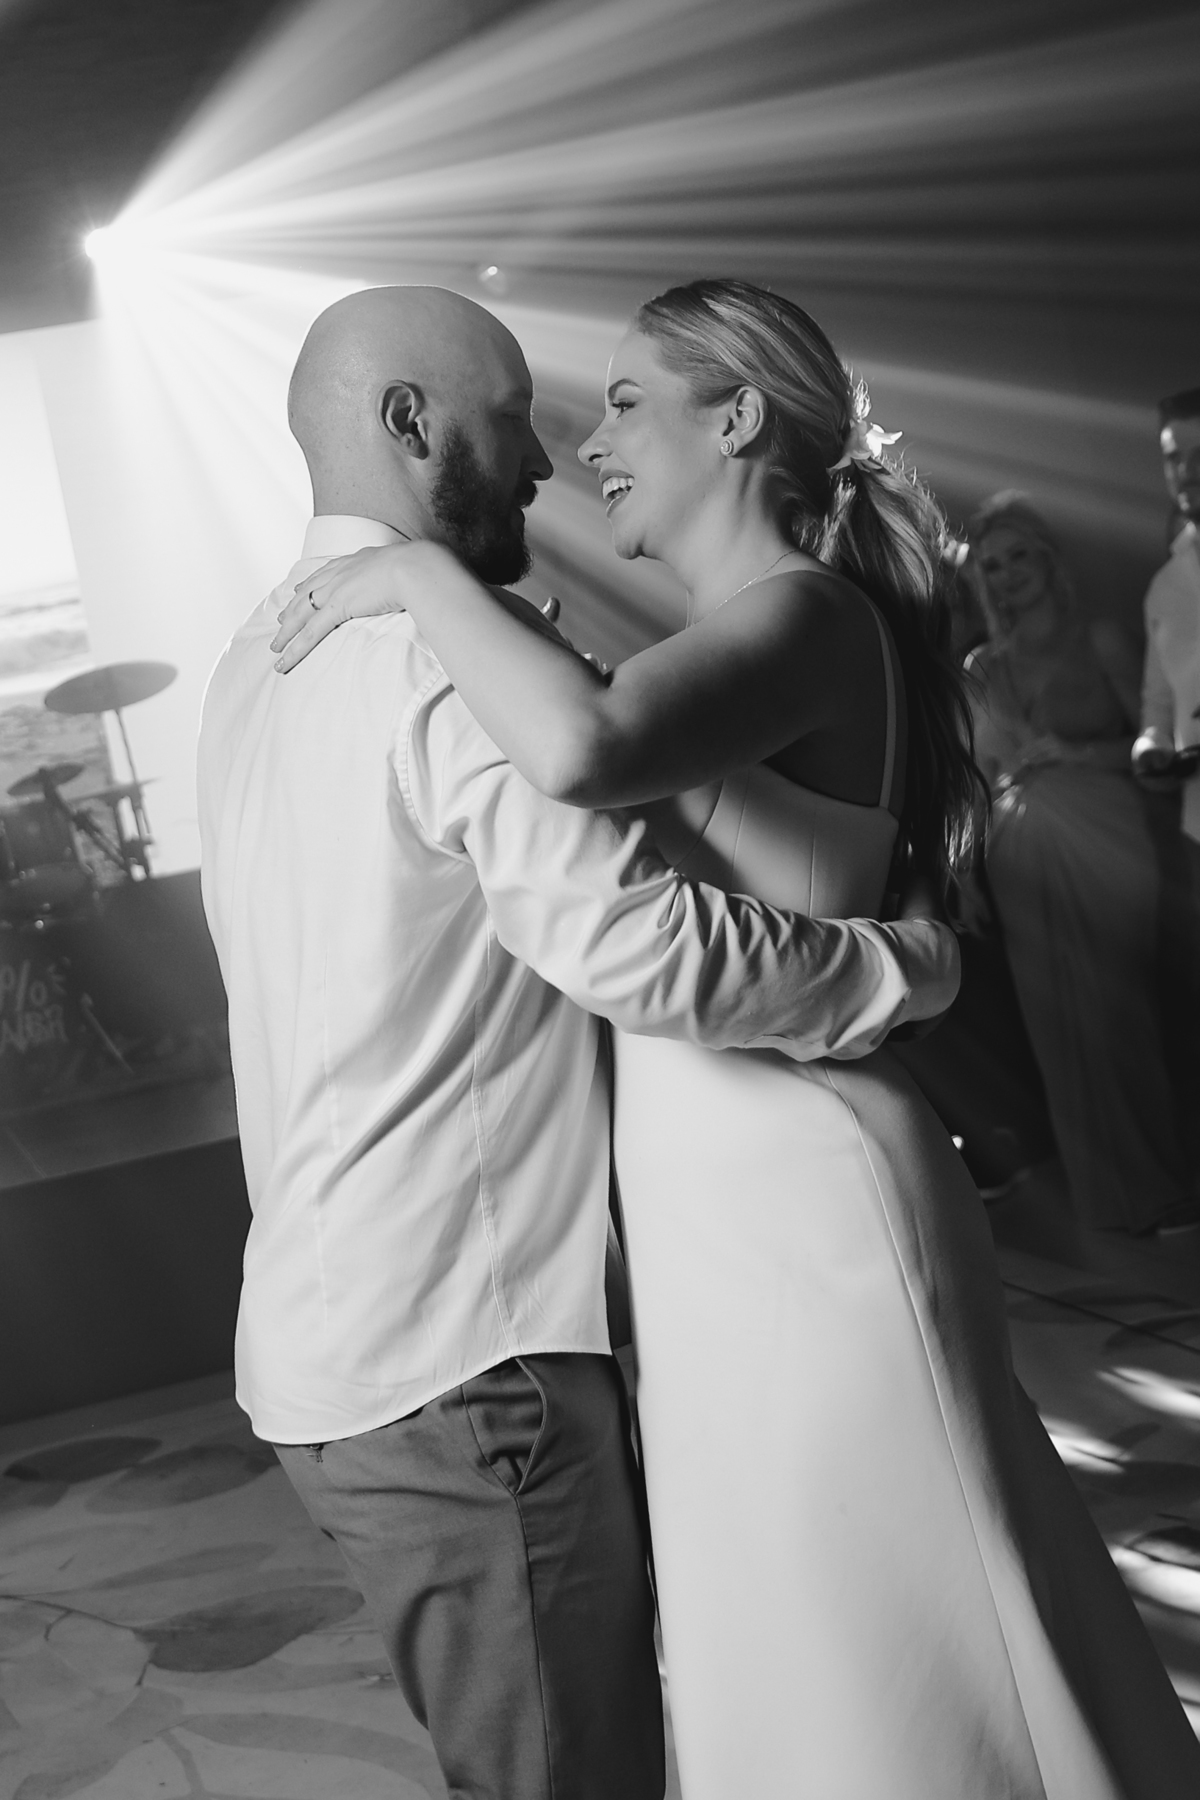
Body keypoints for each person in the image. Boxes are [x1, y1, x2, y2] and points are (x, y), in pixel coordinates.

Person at [276, 281, 1200, 1798]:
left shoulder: (808, 616)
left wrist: (416, 580)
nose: (587, 445)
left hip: (809, 1189)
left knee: (888, 1624)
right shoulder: (728, 639)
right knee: (791, 1628)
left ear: (739, 418)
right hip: (714, 1203)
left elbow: (581, 748)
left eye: (627, 402)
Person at [197, 284, 959, 1800]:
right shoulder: (440, 653)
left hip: (340, 1343)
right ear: (410, 423)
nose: (551, 462)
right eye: (512, 421)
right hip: (465, 1349)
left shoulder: (257, 661)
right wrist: (908, 971)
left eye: (609, 407)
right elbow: (639, 948)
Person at [965, 491, 1194, 1234]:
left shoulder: (1101, 639)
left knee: (1121, 1014)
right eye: (991, 565)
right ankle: (1109, 1202)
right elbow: (980, 778)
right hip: (1019, 862)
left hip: (1109, 844)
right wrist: (965, 872)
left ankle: (1162, 1190)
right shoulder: (982, 666)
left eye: (1017, 556)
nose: (1006, 574)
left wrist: (1076, 752)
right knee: (1056, 1029)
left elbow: (1158, 746)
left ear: (1048, 557)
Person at [1132, 387, 1200, 847]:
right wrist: (1151, 748)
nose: (1186, 472)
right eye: (1174, 457)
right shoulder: (1165, 587)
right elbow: (1157, 706)